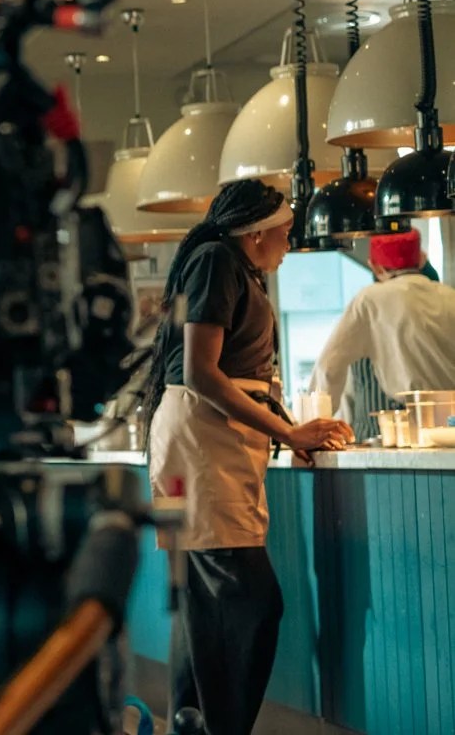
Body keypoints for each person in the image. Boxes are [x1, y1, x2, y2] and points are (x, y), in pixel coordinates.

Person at [137, 179, 353, 735]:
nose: (289, 240)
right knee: (253, 604)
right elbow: (202, 373)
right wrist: (289, 430)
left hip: (205, 445)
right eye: (284, 231)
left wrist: (286, 433)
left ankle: (192, 725)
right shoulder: (217, 260)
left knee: (202, 606)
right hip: (199, 447)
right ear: (255, 234)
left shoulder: (236, 267)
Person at [309, 229, 455, 442]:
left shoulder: (370, 300)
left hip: (403, 434)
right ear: (421, 259)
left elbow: (329, 369)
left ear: (374, 266)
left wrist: (313, 426)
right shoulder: (449, 297)